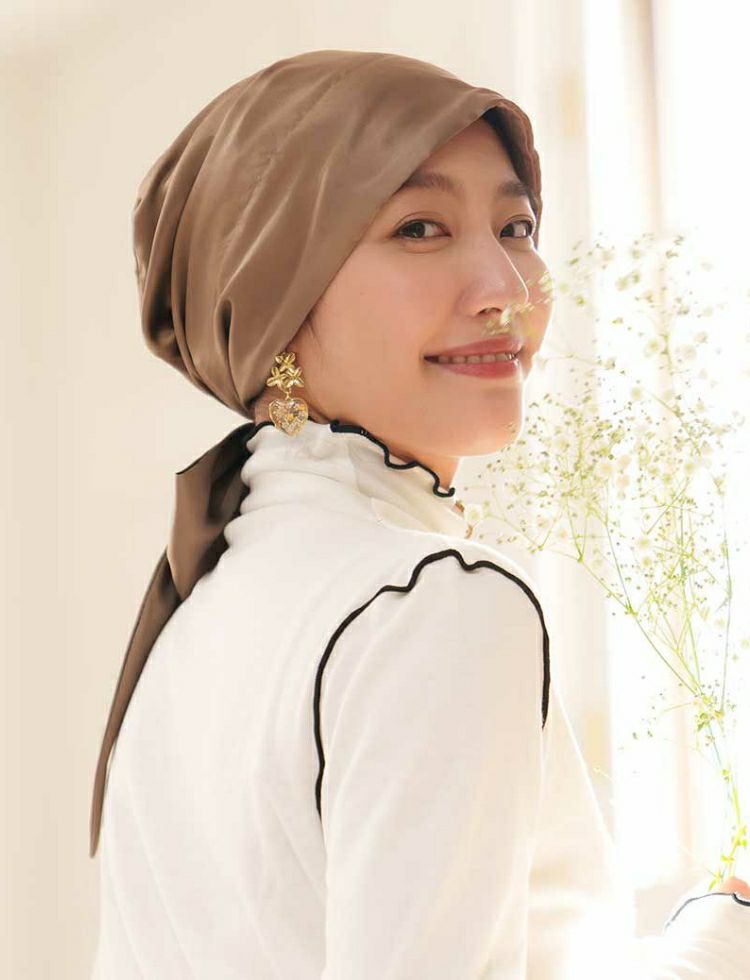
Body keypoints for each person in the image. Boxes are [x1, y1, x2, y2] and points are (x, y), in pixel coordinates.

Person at [88, 50, 750, 978]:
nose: (506, 289)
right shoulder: (434, 600)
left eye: (516, 227)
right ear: (278, 295)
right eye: (420, 228)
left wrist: (720, 928)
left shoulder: (201, 607)